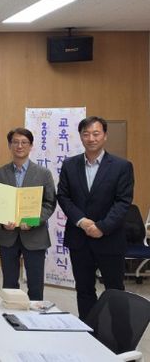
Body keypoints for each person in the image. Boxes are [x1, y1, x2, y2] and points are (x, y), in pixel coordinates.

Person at [57, 116, 134, 320]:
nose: (91, 138)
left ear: (105, 136)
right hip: (79, 239)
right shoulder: (69, 165)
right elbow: (63, 196)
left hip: (110, 239)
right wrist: (81, 221)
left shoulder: (122, 166)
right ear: (81, 137)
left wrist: (102, 227)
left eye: (96, 133)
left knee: (115, 292)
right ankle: (89, 333)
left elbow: (123, 202)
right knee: (84, 291)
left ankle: (119, 335)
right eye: (86, 134)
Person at [0, 127, 56, 301]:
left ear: (31, 146)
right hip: (7, 235)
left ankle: (35, 315)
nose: (20, 146)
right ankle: (12, 313)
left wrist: (34, 220)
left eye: (24, 142)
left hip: (35, 235)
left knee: (35, 284)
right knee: (9, 284)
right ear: (9, 145)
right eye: (15, 142)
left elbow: (49, 203)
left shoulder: (43, 173)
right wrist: (2, 221)